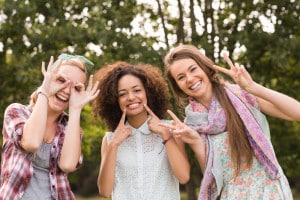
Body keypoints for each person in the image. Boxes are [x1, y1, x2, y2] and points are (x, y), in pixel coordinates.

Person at [160, 44, 300, 200]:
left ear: (204, 68)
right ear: (178, 87)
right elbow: (212, 178)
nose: (190, 79)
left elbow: (297, 113)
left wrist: (253, 88)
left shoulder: (240, 94)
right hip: (232, 195)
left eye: (193, 69)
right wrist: (195, 141)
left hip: (268, 190)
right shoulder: (191, 124)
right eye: (181, 77)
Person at [0, 54, 99, 199]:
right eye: (61, 80)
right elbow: (31, 143)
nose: (66, 90)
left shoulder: (70, 127)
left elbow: (68, 165)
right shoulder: (17, 112)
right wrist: (45, 91)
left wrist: (76, 108)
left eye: (75, 87)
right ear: (48, 79)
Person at [92, 61, 190, 200]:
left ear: (148, 93)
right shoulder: (109, 140)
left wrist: (165, 135)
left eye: (137, 90)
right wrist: (114, 145)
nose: (131, 97)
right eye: (122, 94)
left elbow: (184, 177)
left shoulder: (170, 129)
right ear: (115, 100)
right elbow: (105, 191)